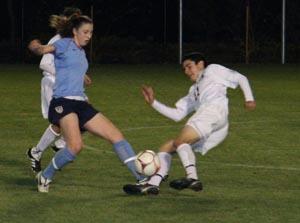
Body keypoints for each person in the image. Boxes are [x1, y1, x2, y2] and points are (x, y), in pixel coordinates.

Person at [28, 15, 145, 193]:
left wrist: (82, 81)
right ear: (74, 31)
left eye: (91, 32)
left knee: (116, 136)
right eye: (85, 32)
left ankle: (142, 179)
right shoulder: (63, 44)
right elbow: (44, 50)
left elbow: (71, 71)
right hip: (62, 102)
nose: (89, 35)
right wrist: (36, 47)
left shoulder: (81, 52)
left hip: (80, 103)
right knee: (75, 146)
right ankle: (45, 176)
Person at [123, 52, 256, 195]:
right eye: (184, 69)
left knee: (181, 141)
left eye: (189, 66)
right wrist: (153, 103)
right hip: (214, 121)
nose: (186, 71)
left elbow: (241, 78)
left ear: (200, 64)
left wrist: (249, 99)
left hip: (213, 112)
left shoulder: (212, 70)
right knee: (167, 147)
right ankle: (152, 184)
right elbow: (177, 114)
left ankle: (192, 178)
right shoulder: (193, 91)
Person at [27, 7, 86, 173]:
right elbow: (44, 63)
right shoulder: (57, 39)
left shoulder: (72, 41)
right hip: (53, 83)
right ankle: (43, 150)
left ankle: (53, 147)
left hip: (65, 85)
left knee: (82, 115)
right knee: (63, 121)